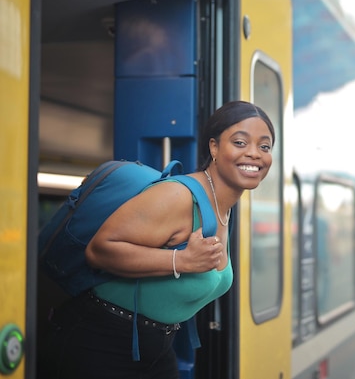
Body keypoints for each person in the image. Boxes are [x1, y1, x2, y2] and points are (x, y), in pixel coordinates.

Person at [38, 101, 275, 379]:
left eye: (265, 146)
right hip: (98, 343)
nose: (254, 154)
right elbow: (100, 250)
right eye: (239, 142)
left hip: (155, 349)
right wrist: (182, 260)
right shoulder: (179, 196)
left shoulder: (224, 209)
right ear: (214, 147)